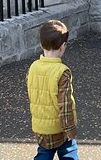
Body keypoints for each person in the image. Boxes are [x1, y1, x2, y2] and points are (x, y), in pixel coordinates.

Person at [27, 20, 79, 160]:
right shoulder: (62, 72)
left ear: (41, 44)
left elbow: (33, 94)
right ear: (63, 46)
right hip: (59, 129)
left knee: (43, 154)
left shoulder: (33, 67)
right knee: (69, 152)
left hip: (40, 127)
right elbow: (65, 105)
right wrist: (70, 130)